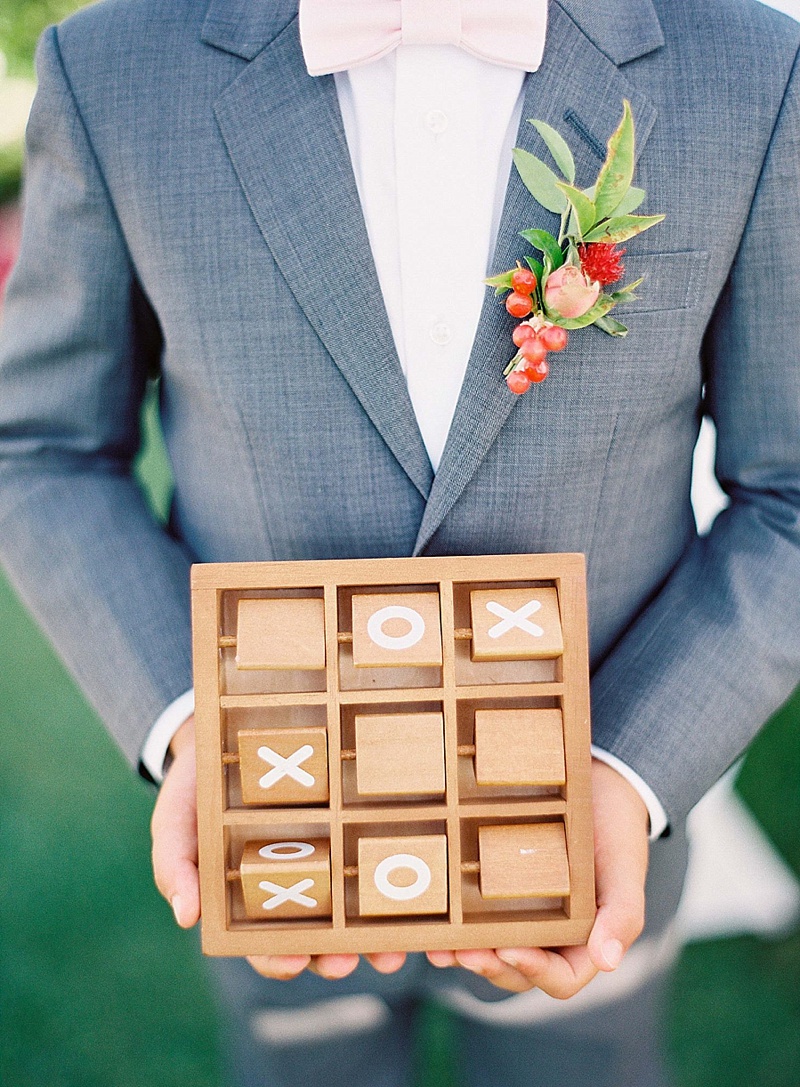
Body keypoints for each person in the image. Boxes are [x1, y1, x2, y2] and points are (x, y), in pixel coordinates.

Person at [1, 0, 799, 1084]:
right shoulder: (113, 68)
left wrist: (629, 768)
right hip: (272, 822)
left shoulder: (750, 67)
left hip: (592, 829)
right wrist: (192, 724)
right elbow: (41, 446)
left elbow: (787, 492)